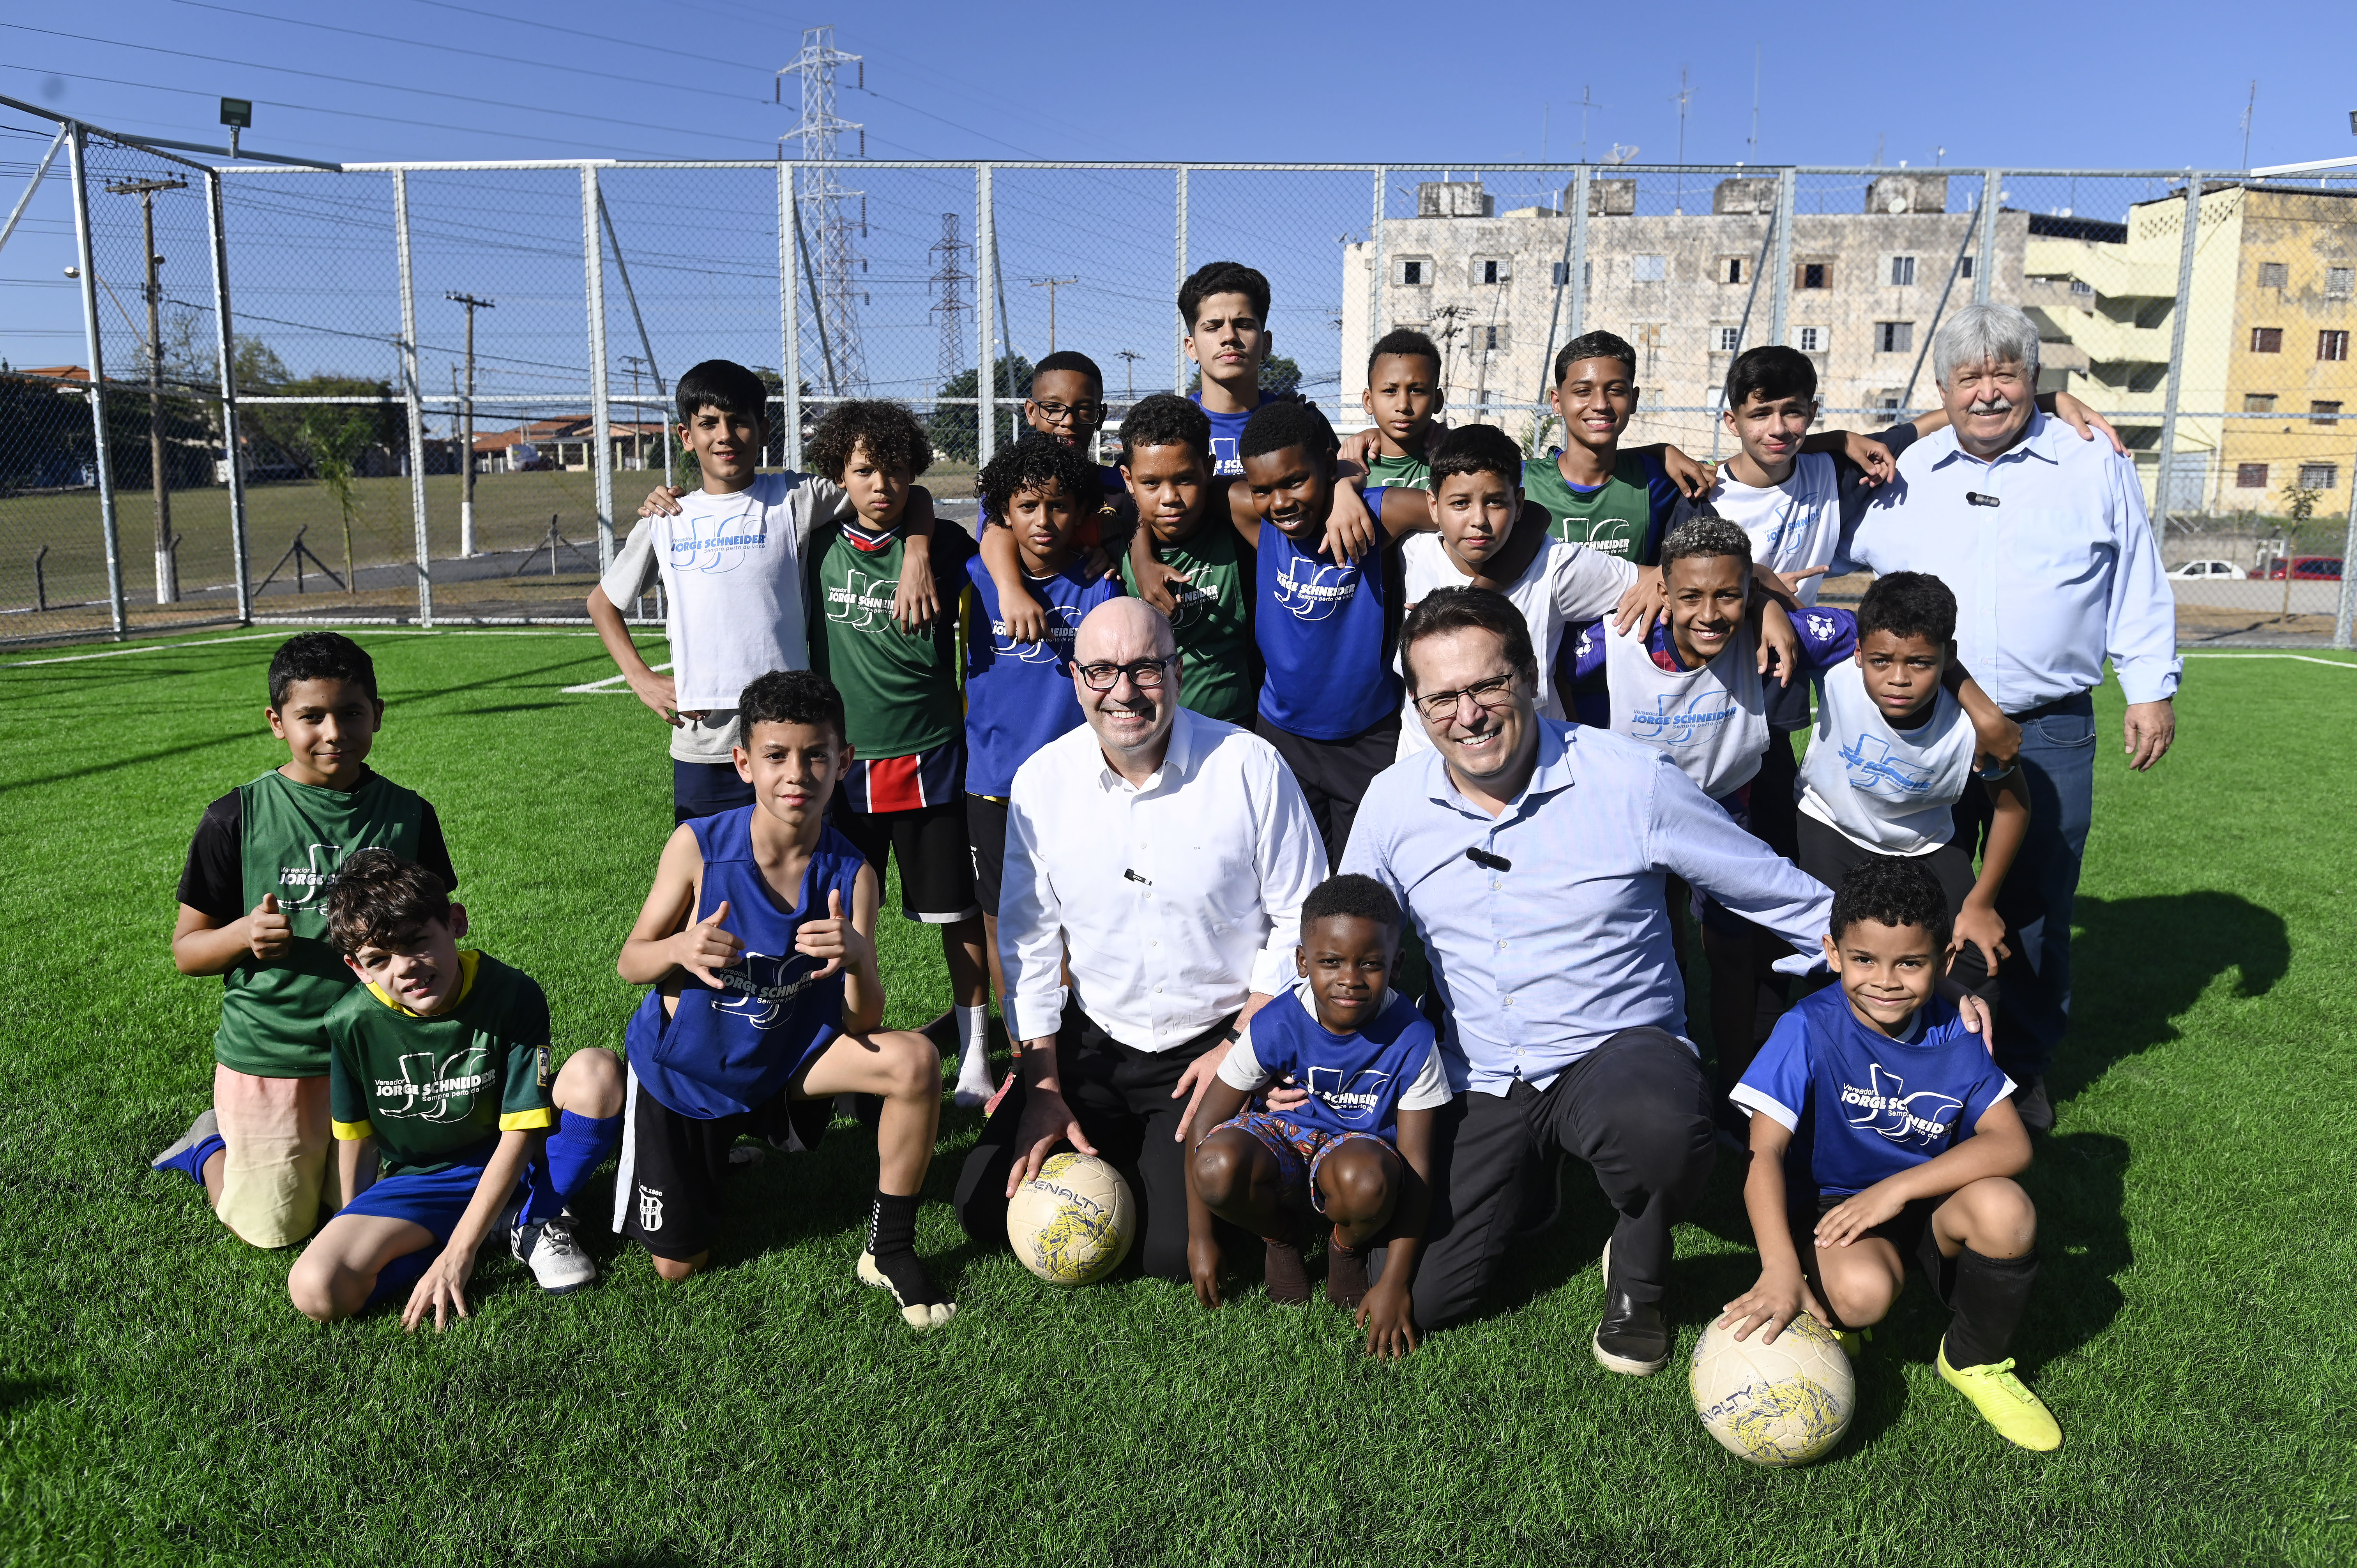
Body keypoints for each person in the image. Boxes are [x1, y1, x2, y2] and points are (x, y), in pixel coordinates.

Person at [1343, 589, 1948, 1369]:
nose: (1469, 713)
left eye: (1487, 685)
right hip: (1486, 1068)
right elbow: (1349, 939)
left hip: (1618, 1052)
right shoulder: (1394, 802)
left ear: (1528, 675)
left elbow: (1766, 885)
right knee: (1429, 1295)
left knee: (1661, 1134)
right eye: (1443, 698)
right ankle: (1533, 1184)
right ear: (1419, 706)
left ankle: (1639, 1266)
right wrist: (1277, 1045)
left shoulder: (1629, 778)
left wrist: (1899, 971)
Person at [1836, 301, 2182, 1130]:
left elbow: (2135, 574)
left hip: (2051, 720)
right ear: (1943, 389)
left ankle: (2020, 1069)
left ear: (2037, 380)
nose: (1988, 394)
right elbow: (1806, 495)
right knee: (1918, 889)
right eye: (1970, 378)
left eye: (2007, 375)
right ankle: (1917, 1055)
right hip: (1930, 719)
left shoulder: (2090, 460)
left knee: (2033, 902)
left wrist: (2150, 686)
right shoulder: (1903, 466)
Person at [953, 599, 1326, 1284]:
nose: (1123, 691)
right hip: (1094, 1035)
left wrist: (1242, 1049)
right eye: (1101, 670)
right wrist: (1041, 1084)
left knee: (1165, 1254)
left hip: (1212, 1039)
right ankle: (1125, 1145)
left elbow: (1302, 922)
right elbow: (1031, 943)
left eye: (1144, 668)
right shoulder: (1042, 780)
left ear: (1176, 673)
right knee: (981, 1205)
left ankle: (1168, 1152)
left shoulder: (1249, 765)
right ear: (1074, 678)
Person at [613, 670, 954, 1329]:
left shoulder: (852, 871)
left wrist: (856, 956)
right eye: (776, 755)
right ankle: (708, 1146)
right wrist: (680, 948)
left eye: (815, 754)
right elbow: (632, 960)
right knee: (679, 1266)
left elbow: (863, 1018)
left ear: (843, 762)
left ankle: (890, 1246)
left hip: (784, 1059)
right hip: (688, 1073)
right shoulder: (698, 848)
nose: (796, 773)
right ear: (744, 762)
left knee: (912, 1061)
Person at [1721, 855, 2057, 1451]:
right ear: (1833, 953)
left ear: (1946, 962)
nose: (1885, 980)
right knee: (1862, 1295)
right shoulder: (1807, 1027)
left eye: (1910, 963)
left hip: (1925, 1201)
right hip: (1839, 1212)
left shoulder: (1956, 1030)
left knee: (2008, 1211)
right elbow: (1763, 1156)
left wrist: (1897, 1190)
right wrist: (1777, 1268)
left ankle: (1973, 1360)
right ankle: (1827, 1297)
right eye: (1864, 960)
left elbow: (2011, 1143)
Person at [154, 633, 458, 1252]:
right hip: (274, 1056)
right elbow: (188, 952)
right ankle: (208, 1146)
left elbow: (435, 928)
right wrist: (241, 935)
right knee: (272, 1232)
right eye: (311, 716)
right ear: (276, 722)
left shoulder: (409, 815)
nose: (334, 732)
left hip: (378, 1055)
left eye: (350, 713)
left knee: (358, 1215)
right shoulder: (234, 817)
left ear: (378, 713)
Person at [588, 359, 943, 823]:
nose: (725, 436)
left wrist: (917, 553)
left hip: (792, 740)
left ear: (764, 430)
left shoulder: (796, 497)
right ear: (685, 436)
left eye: (739, 422)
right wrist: (642, 680)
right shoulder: (666, 519)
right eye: (708, 424)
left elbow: (906, 493)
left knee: (799, 876)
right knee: (712, 878)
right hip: (706, 743)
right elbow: (602, 603)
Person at [287, 851, 625, 1326]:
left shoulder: (511, 993)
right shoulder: (349, 1022)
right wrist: (357, 1222)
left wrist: (459, 1255)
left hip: (521, 1160)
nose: (403, 967)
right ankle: (487, 1230)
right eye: (379, 959)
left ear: (455, 922)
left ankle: (532, 1219)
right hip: (425, 1180)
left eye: (416, 942)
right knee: (317, 1289)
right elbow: (356, 1137)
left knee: (599, 1071)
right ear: (357, 968)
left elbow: (522, 1130)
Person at [800, 398, 989, 1078]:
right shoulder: (815, 543)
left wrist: (918, 541)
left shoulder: (944, 546)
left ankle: (974, 1057)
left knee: (957, 916)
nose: (881, 485)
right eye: (864, 470)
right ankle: (846, 1052)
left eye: (897, 470)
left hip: (931, 760)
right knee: (841, 924)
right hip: (840, 771)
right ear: (838, 475)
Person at [1185, 874, 1446, 1358]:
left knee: (1367, 1181)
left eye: (1370, 964)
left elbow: (1418, 1169)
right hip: (1282, 1138)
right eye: (1330, 962)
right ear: (1303, 961)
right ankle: (1280, 1238)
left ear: (1397, 964)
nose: (1349, 979)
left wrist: (1395, 1283)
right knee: (1216, 1165)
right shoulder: (1278, 1020)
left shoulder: (1413, 1038)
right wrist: (1201, 1237)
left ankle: (1344, 1248)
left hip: (1354, 1152)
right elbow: (1203, 1125)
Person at [960, 436, 1126, 1104]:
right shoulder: (975, 574)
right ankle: (1027, 1058)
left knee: (1081, 921)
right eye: (1026, 505)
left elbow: (1137, 507)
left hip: (1082, 788)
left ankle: (1082, 1054)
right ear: (1003, 510)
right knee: (1006, 926)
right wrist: (1005, 581)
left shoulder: (1101, 578)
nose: (1042, 519)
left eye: (1059, 506)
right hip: (994, 784)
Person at [1796, 571, 2032, 1002]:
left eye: (1920, 663)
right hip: (1831, 827)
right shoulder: (1835, 673)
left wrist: (1981, 903)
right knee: (1832, 956)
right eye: (1881, 661)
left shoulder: (1975, 730)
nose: (1899, 678)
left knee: (1974, 957)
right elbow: (1768, 613)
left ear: (1948, 657)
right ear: (1858, 652)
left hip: (1924, 843)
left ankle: (1962, 1066)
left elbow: (2014, 808)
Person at [1380, 423, 1641, 756]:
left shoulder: (1554, 566)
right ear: (1433, 504)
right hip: (1425, 764)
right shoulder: (1413, 551)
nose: (1479, 519)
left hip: (1533, 768)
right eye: (1460, 503)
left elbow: (1659, 581)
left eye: (1495, 502)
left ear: (1519, 503)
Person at [1235, 399, 1414, 865]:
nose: (1280, 502)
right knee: (1293, 875)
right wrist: (1144, 555)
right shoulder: (1252, 513)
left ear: (1327, 462)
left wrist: (1346, 487)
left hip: (1365, 736)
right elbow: (1161, 499)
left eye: (1297, 481)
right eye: (1264, 489)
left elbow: (1463, 504)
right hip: (1282, 733)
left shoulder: (1376, 515)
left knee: (1361, 885)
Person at [1112, 394, 1258, 726]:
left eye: (1184, 479)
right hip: (1143, 736)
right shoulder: (1109, 540)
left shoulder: (1236, 530)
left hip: (1233, 730)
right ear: (1128, 480)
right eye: (1151, 483)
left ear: (1209, 468)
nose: (1170, 498)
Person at [1521, 331, 1708, 563]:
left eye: (1616, 390)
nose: (1600, 404)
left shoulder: (1657, 480)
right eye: (1583, 391)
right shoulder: (1518, 480)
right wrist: (1661, 449)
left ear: (1634, 400)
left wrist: (1664, 451)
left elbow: (1727, 471)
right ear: (1557, 402)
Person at [1342, 328, 1447, 490]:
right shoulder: (1350, 471)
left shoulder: (1455, 462)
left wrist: (1459, 442)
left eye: (1416, 391)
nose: (1403, 405)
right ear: (1369, 401)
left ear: (1438, 401)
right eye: (1390, 391)